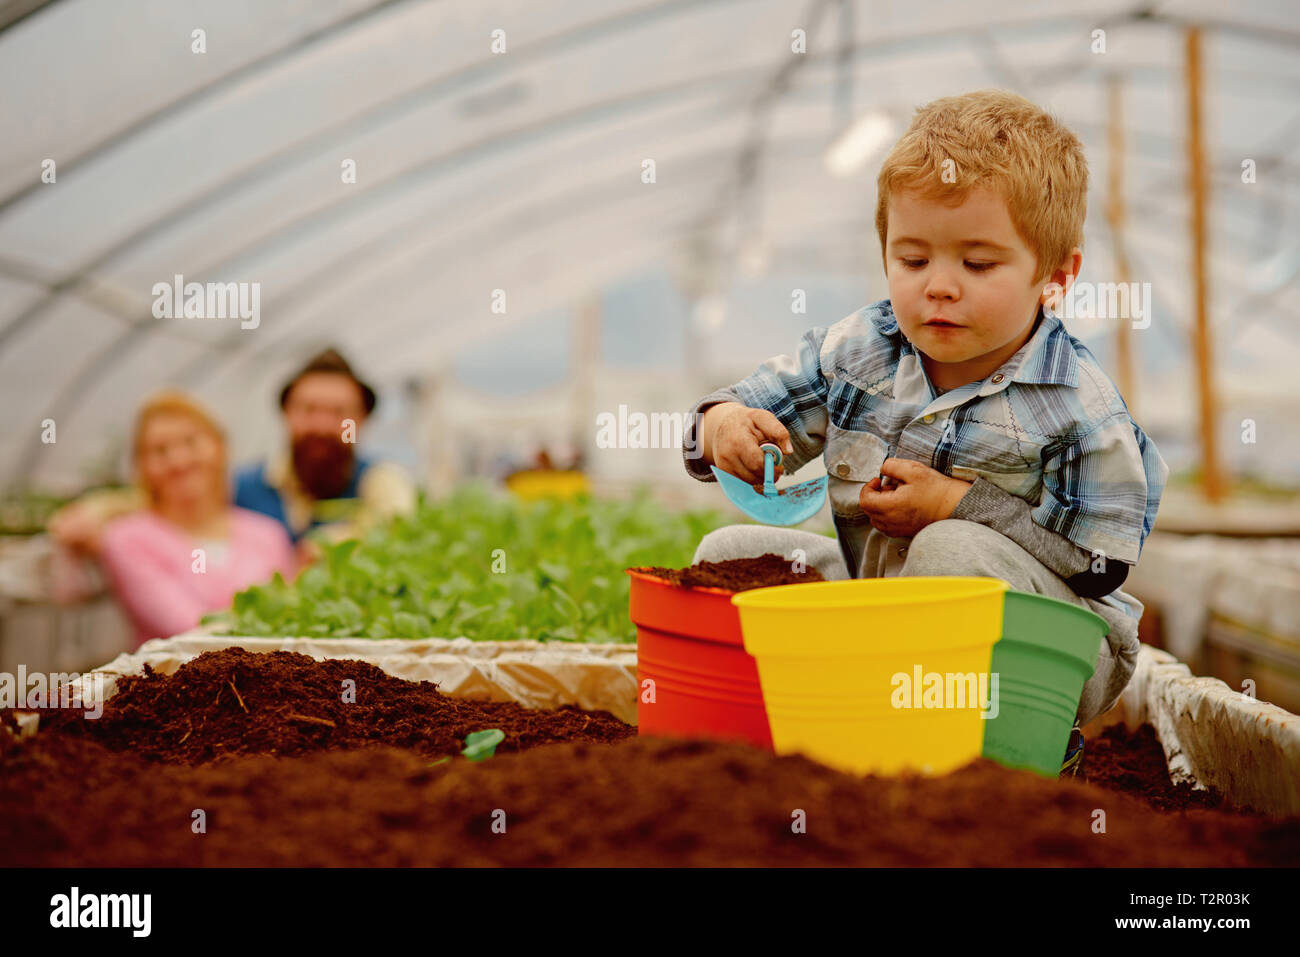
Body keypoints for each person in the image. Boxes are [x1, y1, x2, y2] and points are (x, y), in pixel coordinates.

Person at [682, 90, 1168, 771]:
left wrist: (955, 503)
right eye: (913, 260)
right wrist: (723, 425)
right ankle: (774, 752)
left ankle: (1014, 753)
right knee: (726, 554)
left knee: (949, 551)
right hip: (886, 618)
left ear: (1055, 278)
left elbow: (1099, 565)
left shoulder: (1077, 405)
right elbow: (750, 403)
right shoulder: (861, 351)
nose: (939, 286)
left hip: (1056, 650)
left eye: (977, 264)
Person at [98, 392, 297, 645]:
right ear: (142, 466)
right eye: (160, 451)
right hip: (174, 680)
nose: (178, 461)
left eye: (191, 443)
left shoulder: (268, 534)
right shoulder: (127, 538)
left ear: (219, 447)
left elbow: (290, 617)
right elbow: (188, 627)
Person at [233, 348, 416, 550]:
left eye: (339, 412)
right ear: (286, 414)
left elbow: (396, 534)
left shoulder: (379, 484)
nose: (322, 426)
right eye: (308, 409)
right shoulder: (244, 488)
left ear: (361, 420)